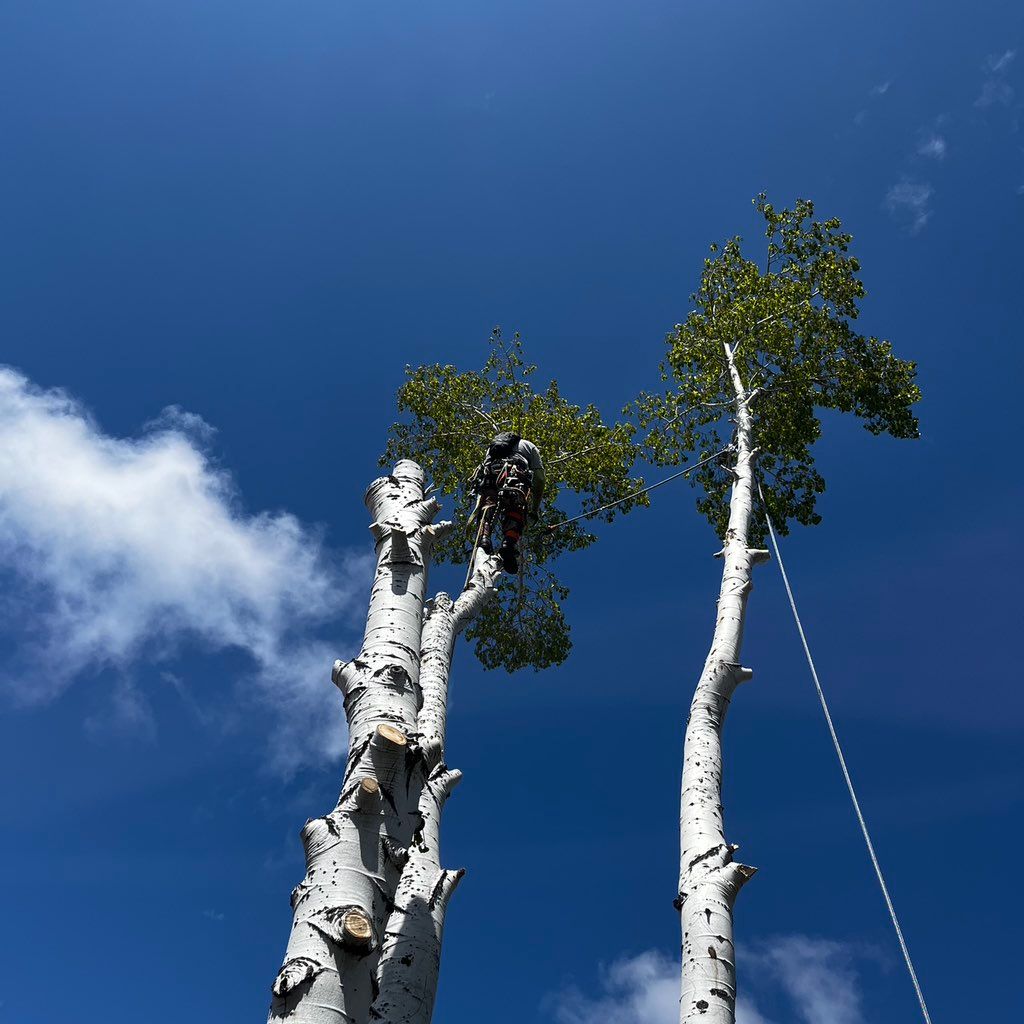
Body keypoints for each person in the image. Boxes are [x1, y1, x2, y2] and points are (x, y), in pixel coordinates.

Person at [467, 431, 545, 574]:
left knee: (488, 505)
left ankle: (484, 538)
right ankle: (508, 544)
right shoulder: (528, 445)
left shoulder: (492, 448)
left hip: (490, 475)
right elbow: (539, 478)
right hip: (515, 475)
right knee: (515, 507)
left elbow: (486, 465)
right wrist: (534, 510)